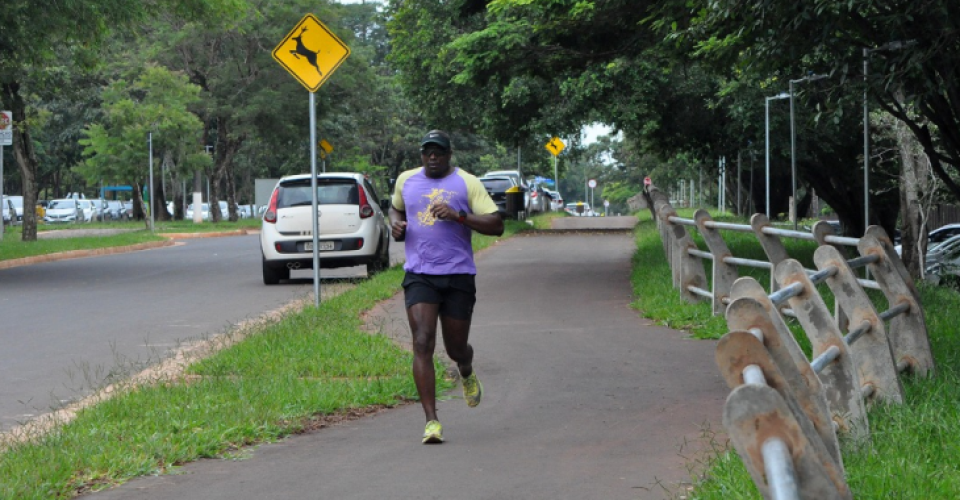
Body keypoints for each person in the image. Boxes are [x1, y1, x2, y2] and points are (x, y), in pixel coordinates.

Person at [389, 130, 504, 444]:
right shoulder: (406, 180)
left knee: (455, 348)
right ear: (422, 155)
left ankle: (465, 367)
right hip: (420, 274)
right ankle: (431, 421)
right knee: (422, 342)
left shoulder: (467, 182)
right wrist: (395, 223)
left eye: (438, 152)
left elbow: (497, 224)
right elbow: (396, 207)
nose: (432, 157)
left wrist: (458, 216)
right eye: (427, 152)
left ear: (449, 154)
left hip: (457, 276)